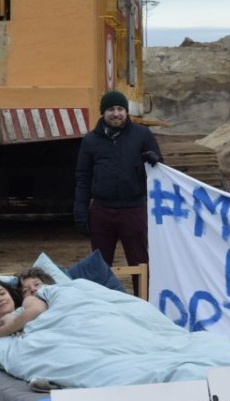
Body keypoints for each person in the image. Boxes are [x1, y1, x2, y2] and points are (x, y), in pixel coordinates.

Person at [0, 270, 230, 389]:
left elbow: (107, 310)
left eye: (2, 293)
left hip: (115, 329)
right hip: (75, 348)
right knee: (162, 368)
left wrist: (0, 329)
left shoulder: (55, 294)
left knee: (189, 347)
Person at [74, 90, 162, 294]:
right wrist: (80, 211)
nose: (116, 114)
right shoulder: (90, 140)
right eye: (111, 109)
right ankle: (103, 304)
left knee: (140, 263)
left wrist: (154, 159)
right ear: (103, 112)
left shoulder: (142, 135)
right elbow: (83, 178)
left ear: (126, 111)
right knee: (99, 266)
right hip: (102, 212)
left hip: (134, 210)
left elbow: (159, 170)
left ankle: (144, 302)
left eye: (120, 109)